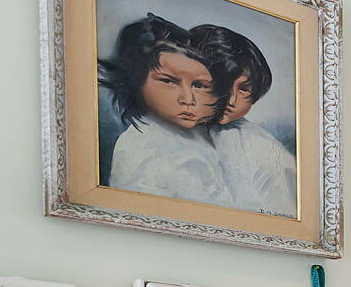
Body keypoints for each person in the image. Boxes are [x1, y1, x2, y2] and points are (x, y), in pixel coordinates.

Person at [97, 15, 233, 207]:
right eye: (168, 81)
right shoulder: (141, 148)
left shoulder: (207, 134)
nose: (188, 99)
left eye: (198, 85)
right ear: (137, 81)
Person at [191, 23, 298, 218]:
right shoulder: (164, 131)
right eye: (220, 85)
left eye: (244, 89)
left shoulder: (259, 145)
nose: (231, 100)